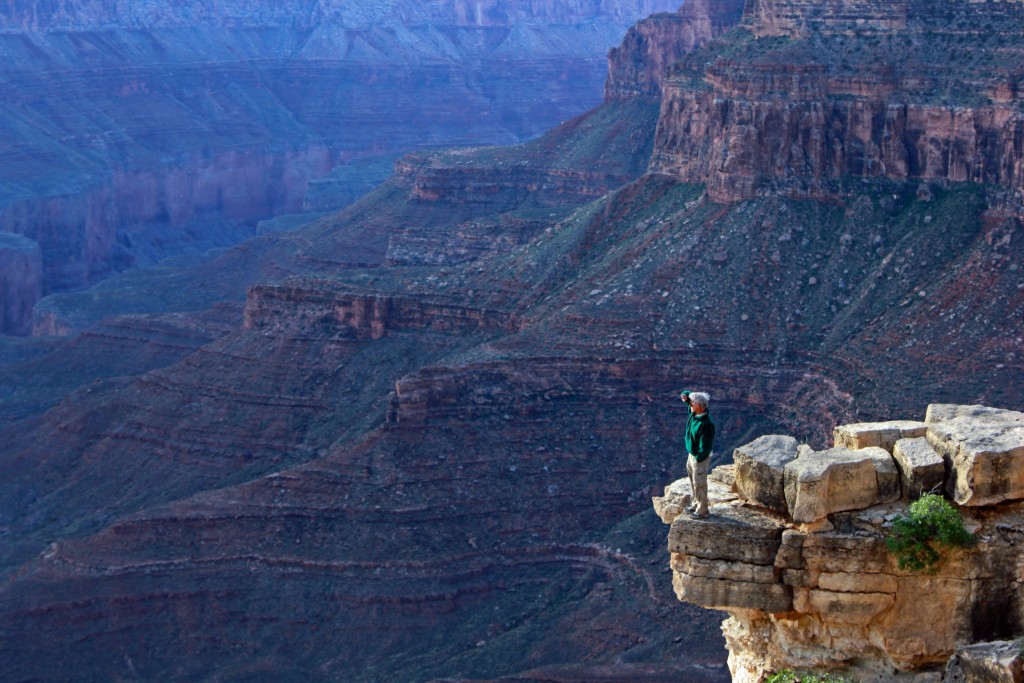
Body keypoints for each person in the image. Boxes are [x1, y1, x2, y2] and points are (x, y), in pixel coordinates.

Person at [680, 390, 715, 518]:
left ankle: (702, 511)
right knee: (693, 480)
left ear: (699, 405)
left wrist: (699, 458)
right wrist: (686, 396)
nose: (690, 406)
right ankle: (696, 503)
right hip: (692, 454)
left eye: (692, 404)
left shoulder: (706, 424)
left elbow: (705, 447)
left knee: (699, 482)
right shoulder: (695, 414)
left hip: (700, 457)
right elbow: (687, 397)